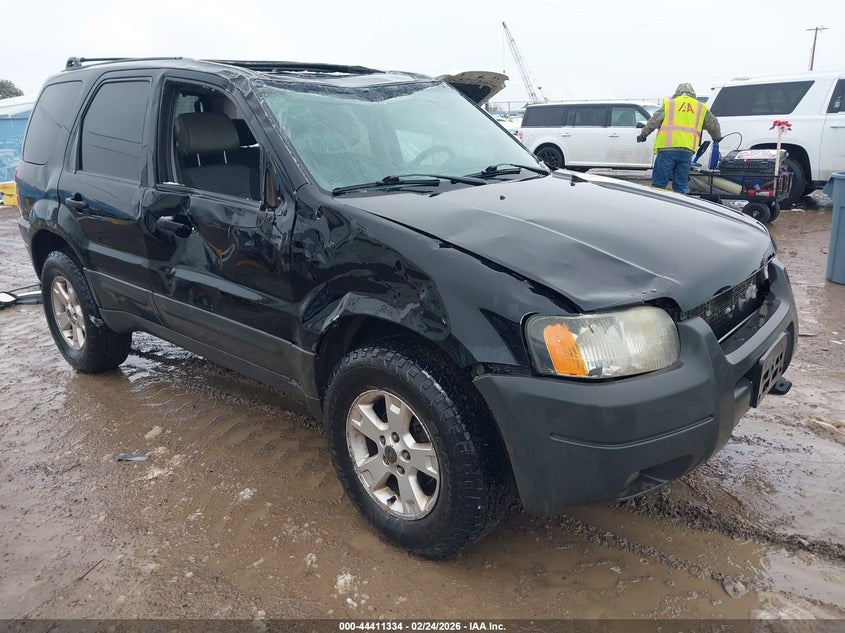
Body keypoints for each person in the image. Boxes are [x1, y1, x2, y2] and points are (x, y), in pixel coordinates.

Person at [637, 83, 721, 194]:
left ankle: (656, 207)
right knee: (681, 185)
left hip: (667, 149)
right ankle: (681, 208)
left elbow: (654, 120)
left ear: (677, 93)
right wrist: (716, 138)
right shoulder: (700, 107)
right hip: (686, 151)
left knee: (659, 183)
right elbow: (713, 124)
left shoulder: (670, 103)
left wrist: (644, 134)